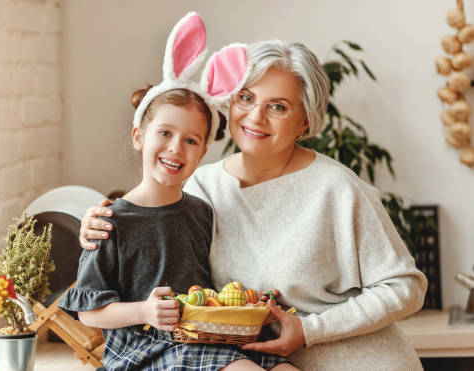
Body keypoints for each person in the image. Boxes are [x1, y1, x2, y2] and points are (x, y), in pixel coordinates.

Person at [79, 39, 428, 370]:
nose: (255, 117)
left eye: (277, 106)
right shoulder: (203, 186)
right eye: (245, 98)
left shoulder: (336, 188)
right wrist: (98, 220)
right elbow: (150, 223)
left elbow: (405, 287)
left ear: (305, 122)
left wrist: (310, 331)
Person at [59, 13, 296, 371]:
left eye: (190, 141)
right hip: (146, 350)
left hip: (205, 340)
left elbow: (211, 289)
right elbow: (88, 312)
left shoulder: (202, 211)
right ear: (139, 135)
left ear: (202, 153)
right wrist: (145, 311)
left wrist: (249, 307)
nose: (175, 149)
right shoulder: (110, 220)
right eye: (165, 134)